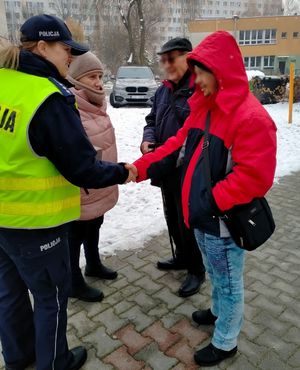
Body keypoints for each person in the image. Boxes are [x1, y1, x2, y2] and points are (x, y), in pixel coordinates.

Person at [127, 31, 277, 366]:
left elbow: (255, 177)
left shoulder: (251, 118)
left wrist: (209, 201)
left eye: (200, 74)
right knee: (214, 271)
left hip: (222, 221)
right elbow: (172, 145)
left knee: (228, 282)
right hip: (202, 218)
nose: (195, 82)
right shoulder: (205, 108)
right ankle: (217, 312)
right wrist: (138, 168)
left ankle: (226, 342)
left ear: (219, 70)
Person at [0, 14, 133, 370]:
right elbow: (81, 167)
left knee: (10, 294)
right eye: (65, 49)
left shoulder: (2, 83)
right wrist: (124, 172)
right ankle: (55, 362)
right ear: (42, 47)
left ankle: (18, 358)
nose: (70, 58)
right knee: (51, 299)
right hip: (37, 223)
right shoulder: (48, 97)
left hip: (2, 222)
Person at [140, 37, 205, 297]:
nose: (166, 64)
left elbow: (197, 134)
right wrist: (148, 138)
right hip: (164, 166)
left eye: (172, 58)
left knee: (187, 221)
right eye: (163, 59)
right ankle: (180, 256)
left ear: (189, 57)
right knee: (171, 216)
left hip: (188, 169)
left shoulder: (199, 87)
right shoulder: (163, 90)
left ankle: (196, 269)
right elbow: (152, 119)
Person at [66, 52, 119, 302]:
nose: (98, 82)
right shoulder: (71, 110)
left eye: (99, 76)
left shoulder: (96, 105)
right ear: (76, 81)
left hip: (99, 183)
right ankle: (73, 281)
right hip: (81, 190)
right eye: (91, 77)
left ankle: (94, 264)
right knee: (74, 236)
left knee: (95, 224)